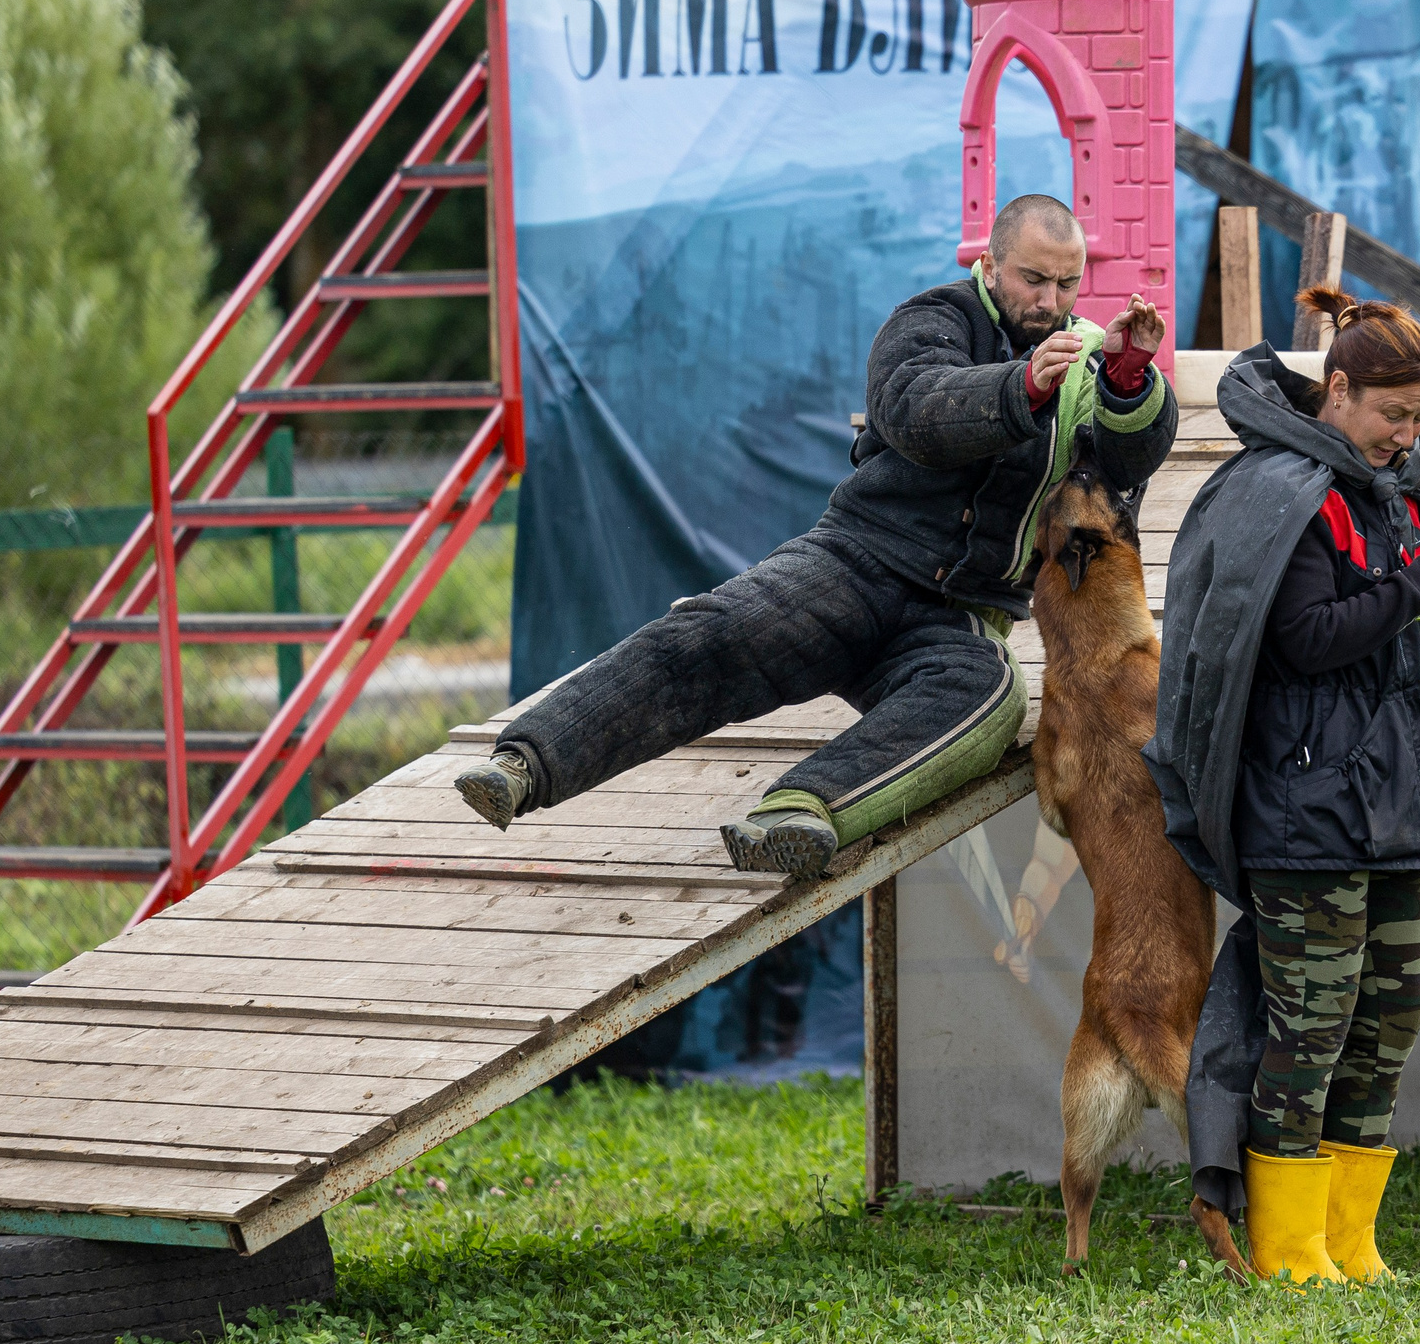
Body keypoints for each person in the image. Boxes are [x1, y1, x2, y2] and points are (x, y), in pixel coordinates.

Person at [450, 193, 1175, 876]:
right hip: (852, 563)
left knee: (987, 697)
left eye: (1066, 284)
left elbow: (1122, 471)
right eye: (1033, 279)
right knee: (713, 631)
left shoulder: (1086, 359)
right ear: (989, 266)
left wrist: (1129, 383)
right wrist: (1018, 391)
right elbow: (913, 410)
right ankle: (526, 761)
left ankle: (800, 812)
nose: (1049, 301)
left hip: (960, 619)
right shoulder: (930, 320)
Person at [1148, 289, 1420, 1284]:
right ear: (1338, 390)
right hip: (1303, 804)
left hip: (1392, 792)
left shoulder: (1385, 483)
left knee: (1385, 1019)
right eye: (1392, 416)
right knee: (1307, 1028)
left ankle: (1349, 1243)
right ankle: (1286, 1250)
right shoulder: (1283, 491)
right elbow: (1306, 643)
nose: (1405, 436)